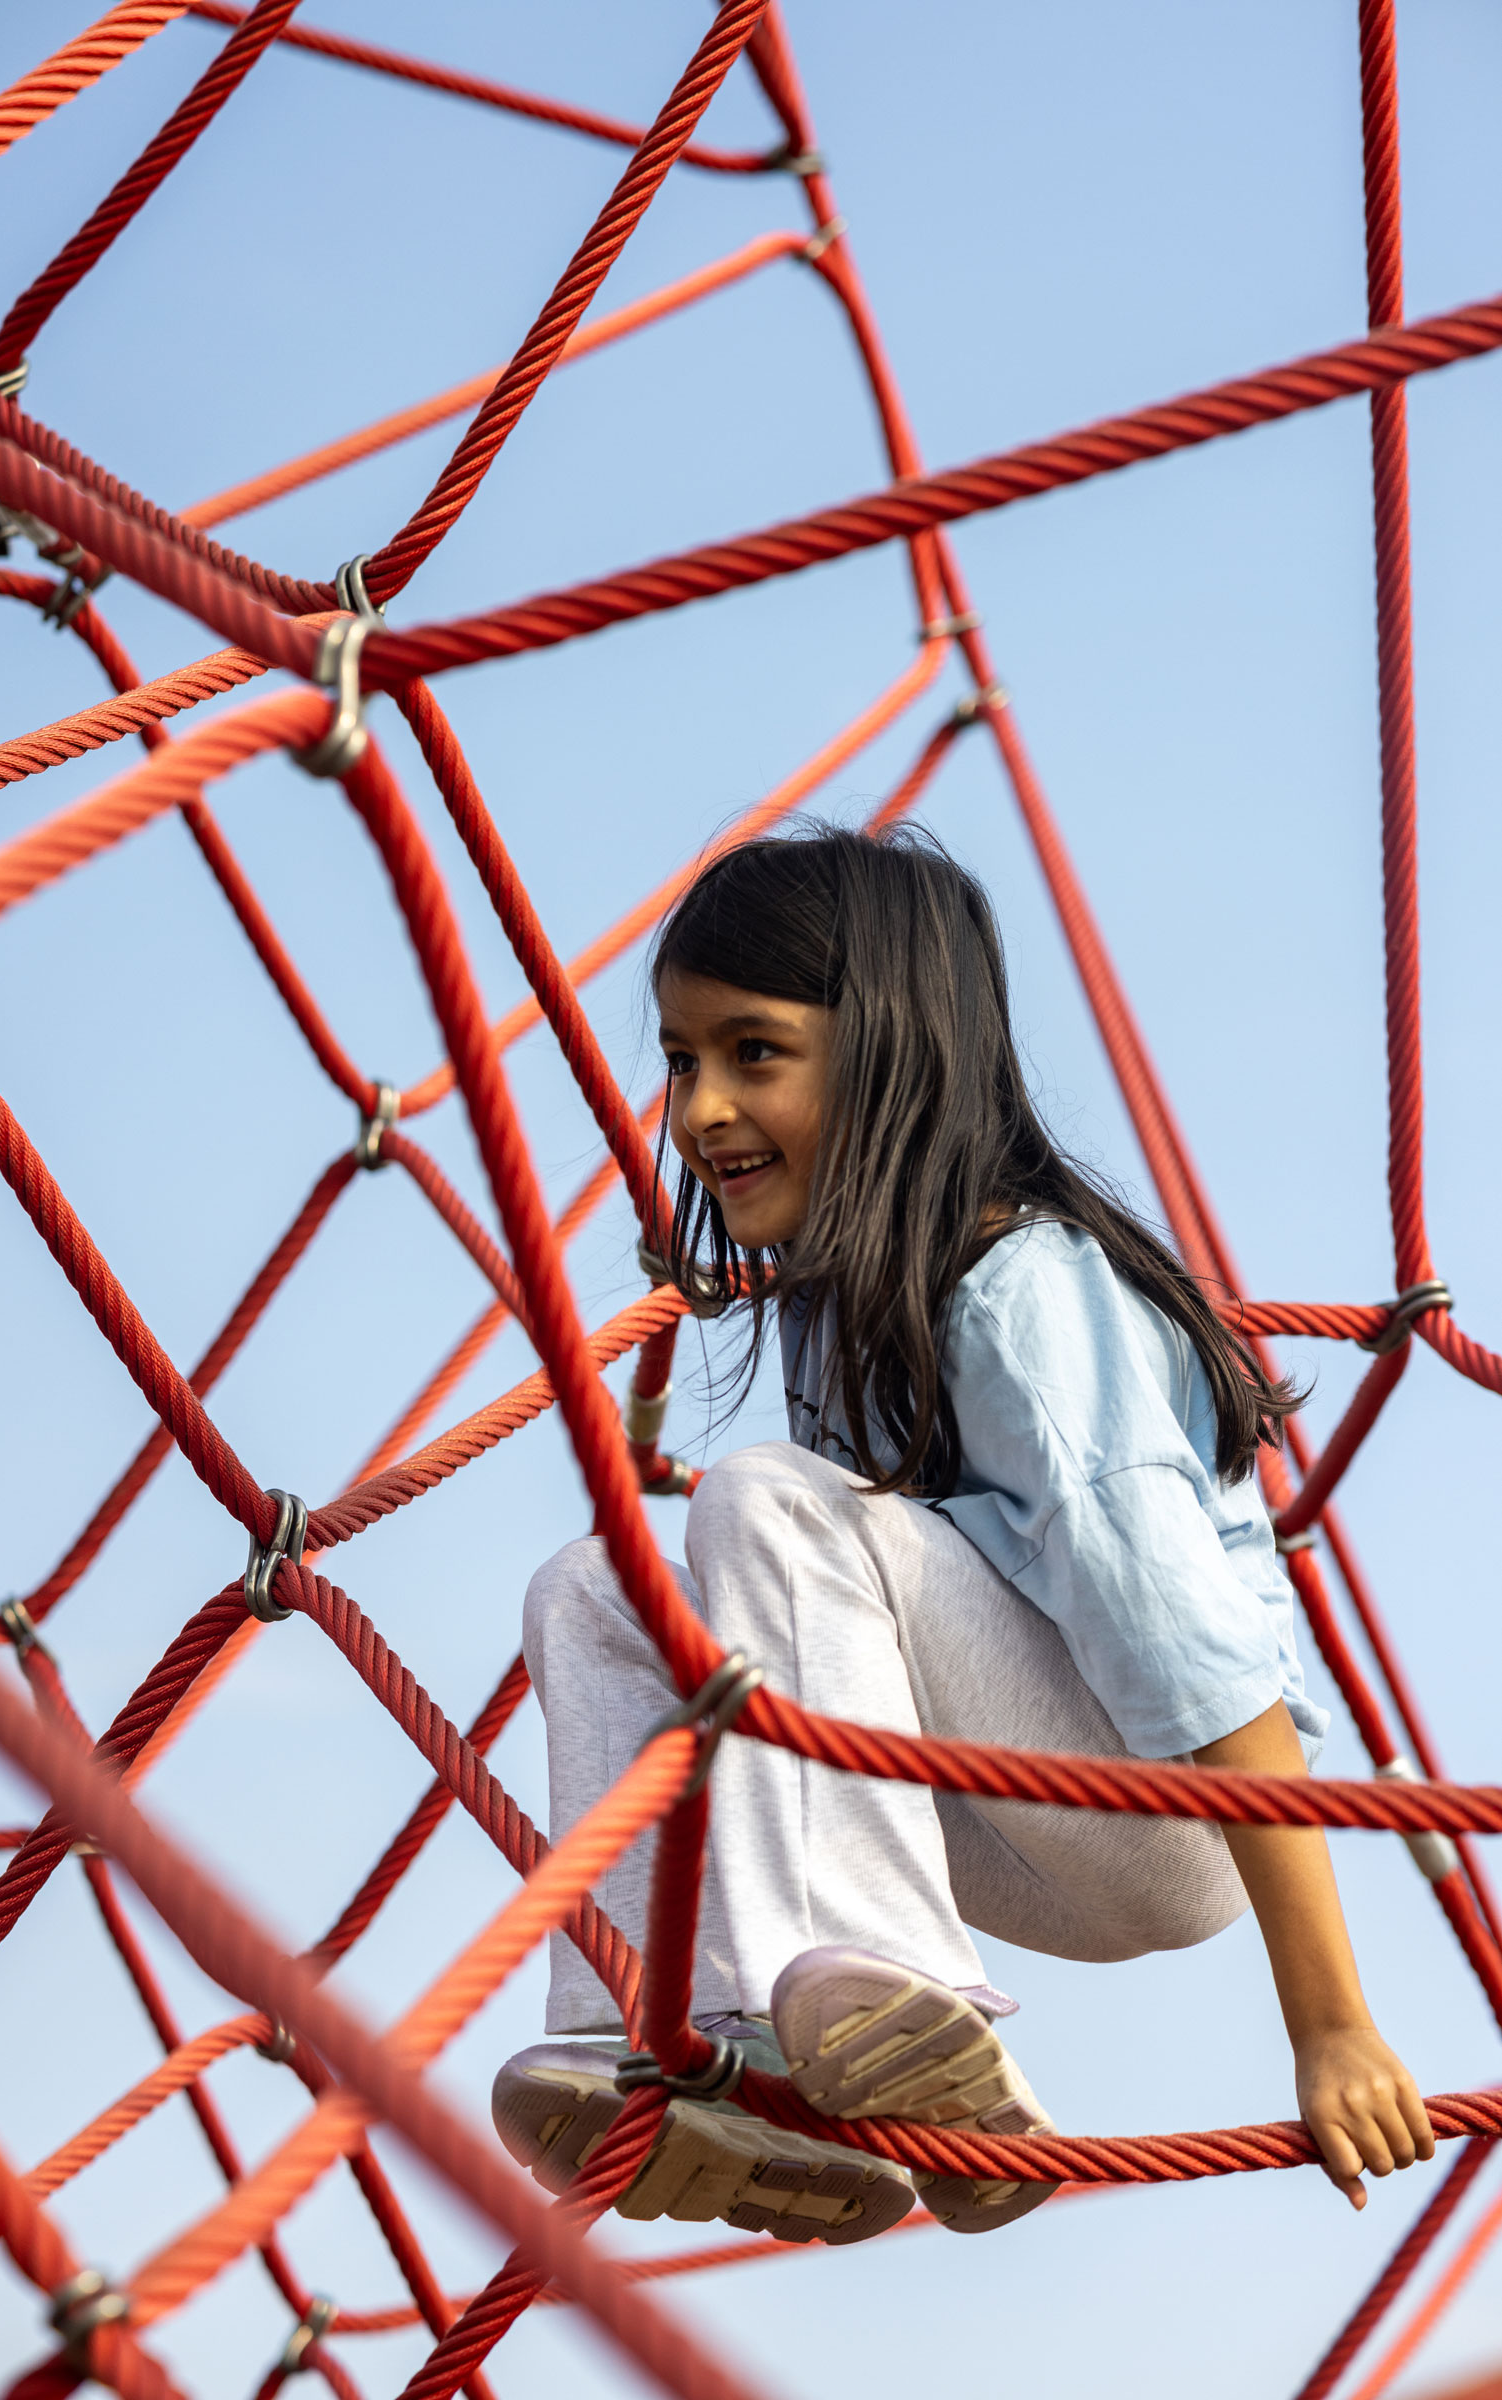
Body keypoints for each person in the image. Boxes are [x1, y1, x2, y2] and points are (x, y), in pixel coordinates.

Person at [492, 827, 1434, 2245]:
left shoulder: (1022, 1297)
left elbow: (1200, 1660)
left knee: (760, 1497)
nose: (698, 1109)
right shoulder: (835, 1309)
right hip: (984, 1800)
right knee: (591, 1588)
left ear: (891, 1056)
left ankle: (907, 2001)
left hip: (1170, 1806)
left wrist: (1332, 2024)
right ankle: (683, 2043)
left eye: (754, 1053)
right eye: (682, 1061)